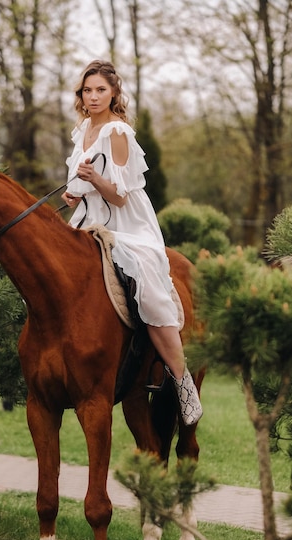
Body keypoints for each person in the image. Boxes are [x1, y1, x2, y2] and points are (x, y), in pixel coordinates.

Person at [61, 59, 202, 426]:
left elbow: (121, 196)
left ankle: (182, 382)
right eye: (88, 90)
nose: (93, 97)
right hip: (88, 219)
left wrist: (93, 180)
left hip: (127, 223)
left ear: (114, 94)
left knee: (148, 285)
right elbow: (83, 186)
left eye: (101, 90)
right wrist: (74, 195)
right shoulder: (83, 130)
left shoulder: (117, 132)